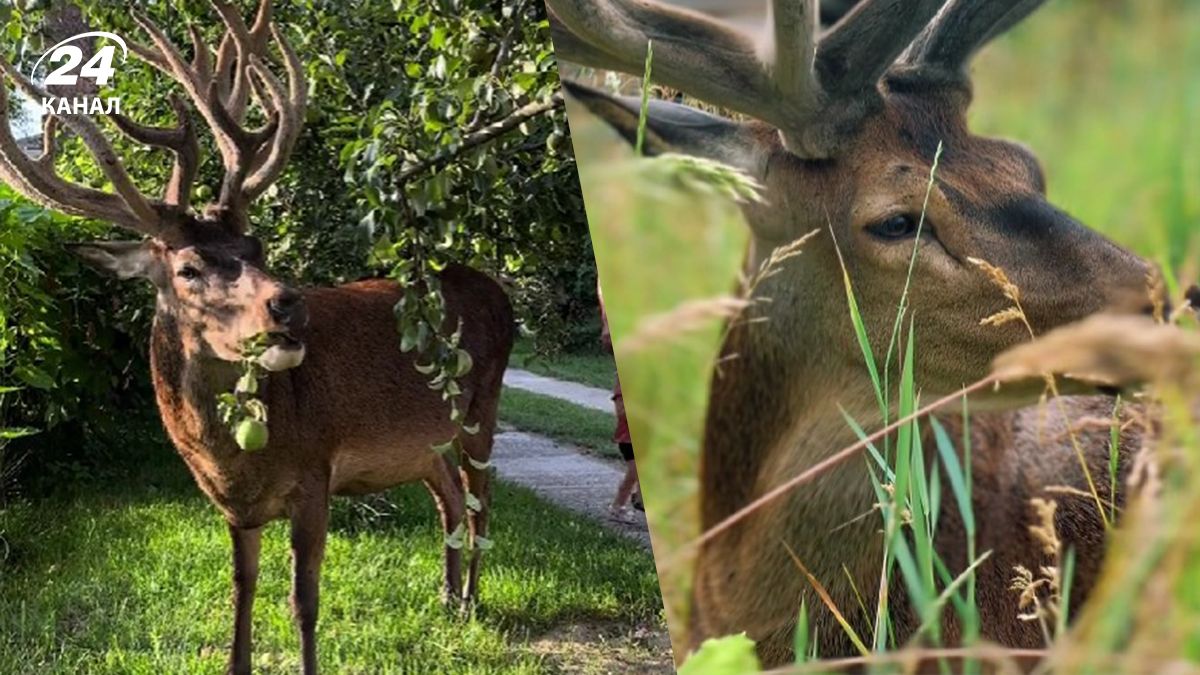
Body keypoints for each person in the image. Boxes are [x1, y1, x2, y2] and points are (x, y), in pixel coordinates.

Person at [599, 284, 641, 523]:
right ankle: (618, 505)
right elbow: (621, 410)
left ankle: (633, 500)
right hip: (627, 438)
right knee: (636, 472)